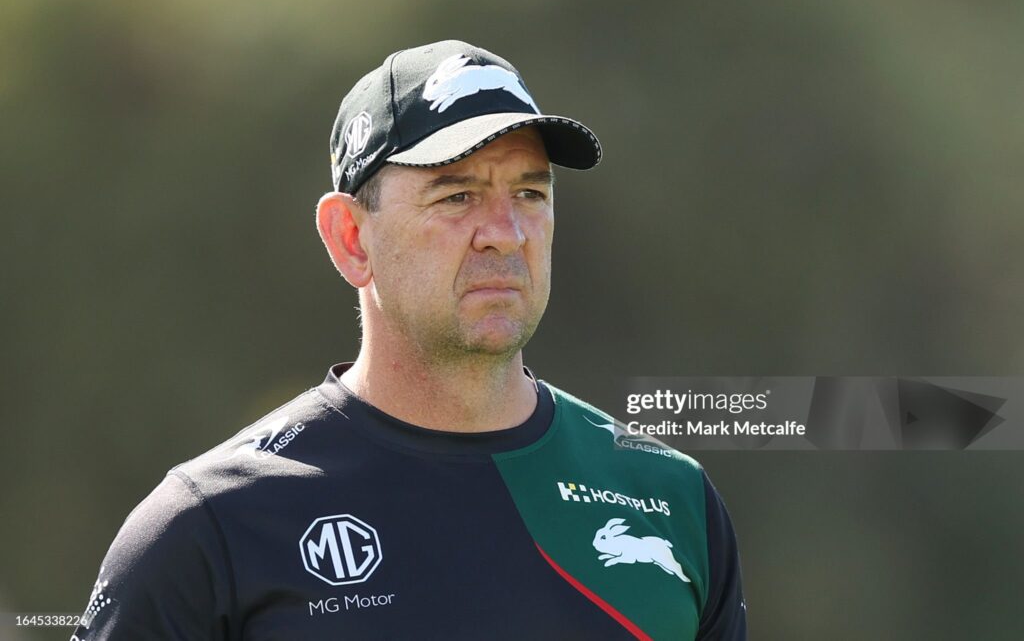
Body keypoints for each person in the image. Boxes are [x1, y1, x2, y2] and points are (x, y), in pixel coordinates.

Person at [71, 40, 747, 640]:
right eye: (456, 196)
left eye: (531, 193)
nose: (505, 232)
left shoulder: (670, 499)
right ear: (350, 238)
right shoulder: (209, 526)